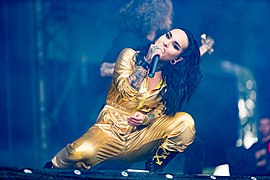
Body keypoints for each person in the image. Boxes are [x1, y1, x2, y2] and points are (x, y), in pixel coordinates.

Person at [49, 28, 202, 172]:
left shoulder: (170, 81)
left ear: (178, 58)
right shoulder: (129, 56)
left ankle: (154, 170)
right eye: (167, 36)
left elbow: (160, 113)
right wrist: (146, 62)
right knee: (77, 153)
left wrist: (146, 118)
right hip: (110, 130)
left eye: (175, 46)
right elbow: (125, 92)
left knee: (186, 123)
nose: (166, 43)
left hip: (139, 139)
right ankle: (48, 171)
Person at [100, 0, 173, 77]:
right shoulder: (128, 39)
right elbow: (104, 69)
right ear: (160, 15)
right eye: (169, 15)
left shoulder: (156, 47)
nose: (170, 21)